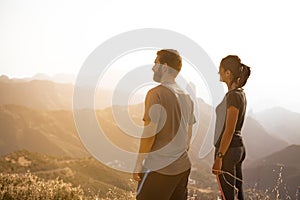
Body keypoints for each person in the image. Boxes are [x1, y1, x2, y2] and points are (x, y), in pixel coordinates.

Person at [133, 49, 196, 200]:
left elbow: (149, 135)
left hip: (159, 169)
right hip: (182, 168)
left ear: (165, 67)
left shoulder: (156, 94)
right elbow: (188, 140)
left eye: (156, 63)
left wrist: (138, 164)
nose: (153, 67)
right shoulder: (186, 97)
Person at [212, 55, 251, 200]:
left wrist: (219, 157)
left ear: (228, 73)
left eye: (220, 70)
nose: (218, 73)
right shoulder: (240, 94)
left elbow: (229, 129)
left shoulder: (233, 96)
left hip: (228, 151)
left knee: (227, 196)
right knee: (237, 194)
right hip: (238, 148)